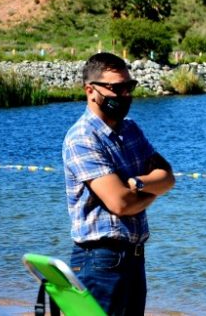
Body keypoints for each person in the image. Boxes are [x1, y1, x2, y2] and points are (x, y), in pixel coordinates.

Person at [62, 52, 175, 315]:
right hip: (100, 259)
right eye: (116, 88)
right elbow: (121, 204)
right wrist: (150, 189)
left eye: (129, 86)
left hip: (134, 257)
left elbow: (167, 177)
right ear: (90, 90)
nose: (125, 94)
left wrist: (136, 183)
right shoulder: (82, 138)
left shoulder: (130, 129)